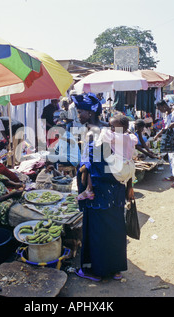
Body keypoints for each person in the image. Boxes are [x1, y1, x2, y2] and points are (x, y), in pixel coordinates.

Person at [72, 93, 129, 281]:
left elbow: (93, 164)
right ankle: (116, 269)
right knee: (115, 228)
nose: (78, 115)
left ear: (89, 113)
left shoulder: (92, 133)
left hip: (98, 189)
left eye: (80, 112)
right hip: (116, 189)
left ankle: (97, 271)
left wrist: (81, 173)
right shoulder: (109, 129)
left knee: (97, 230)